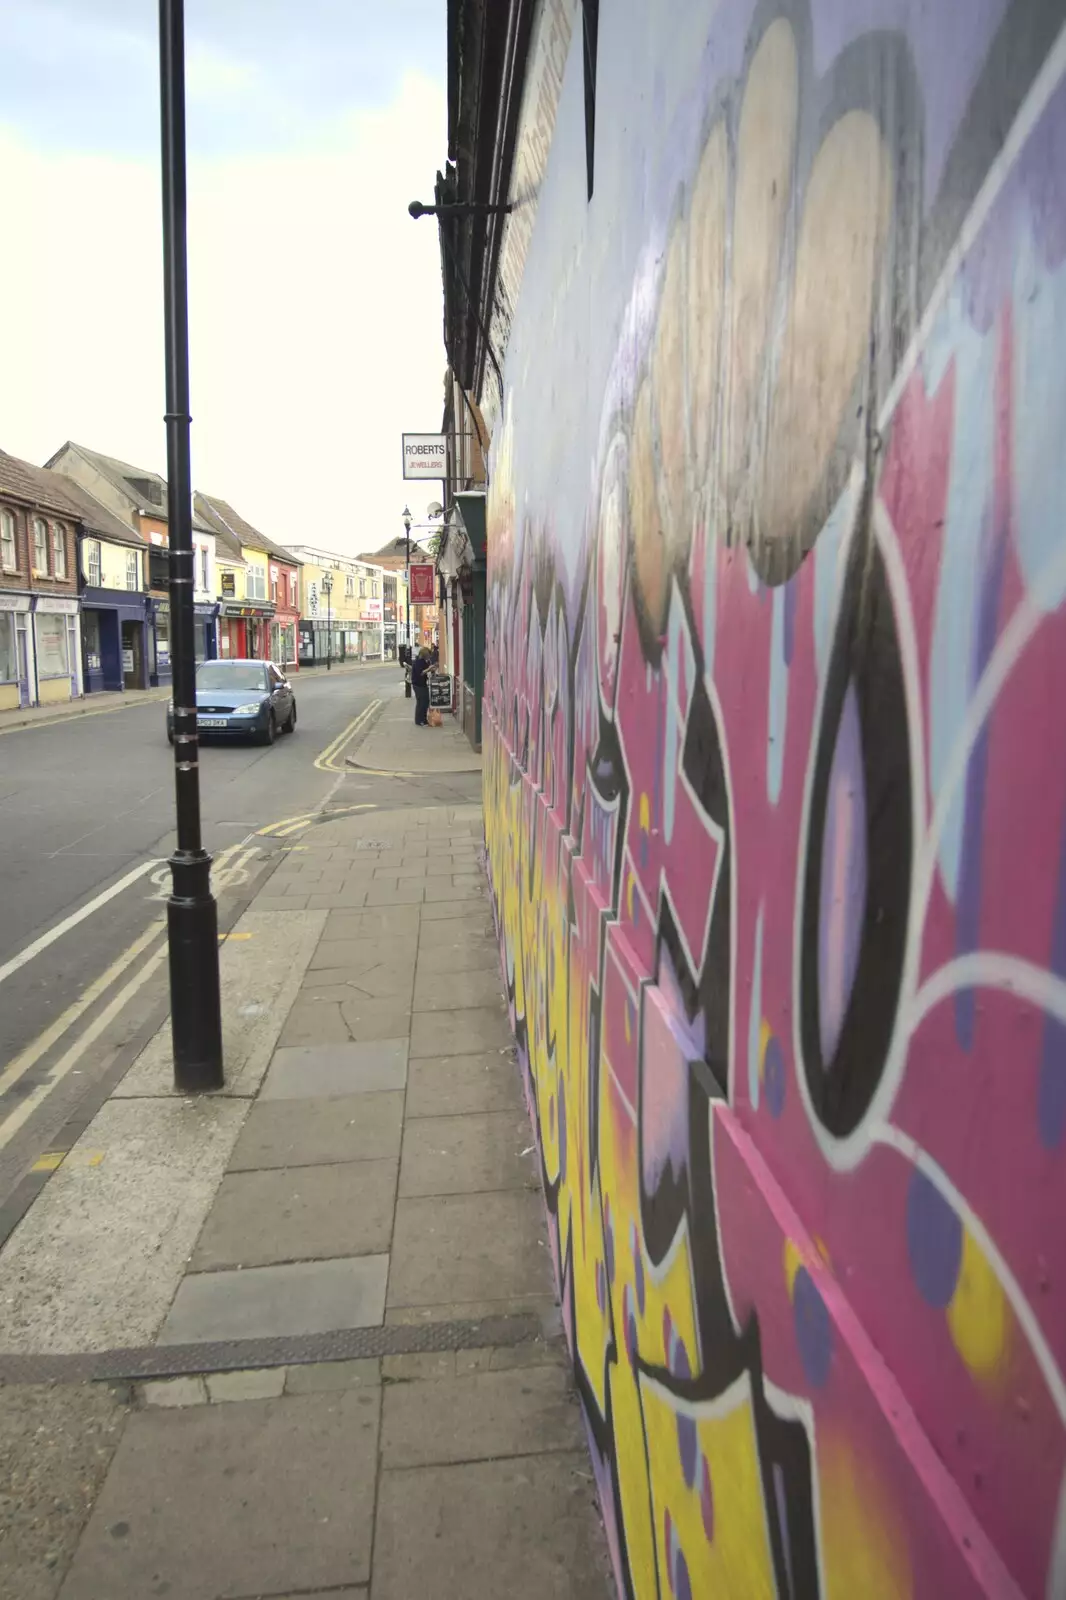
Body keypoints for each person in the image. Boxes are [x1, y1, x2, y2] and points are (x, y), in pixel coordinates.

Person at [411, 644, 431, 726]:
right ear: (425, 655)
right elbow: (421, 673)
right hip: (418, 685)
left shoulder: (423, 662)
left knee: (425, 702)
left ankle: (423, 719)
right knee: (421, 703)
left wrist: (431, 668)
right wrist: (429, 668)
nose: (429, 656)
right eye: (428, 655)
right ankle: (419, 720)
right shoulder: (418, 662)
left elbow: (427, 669)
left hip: (422, 684)